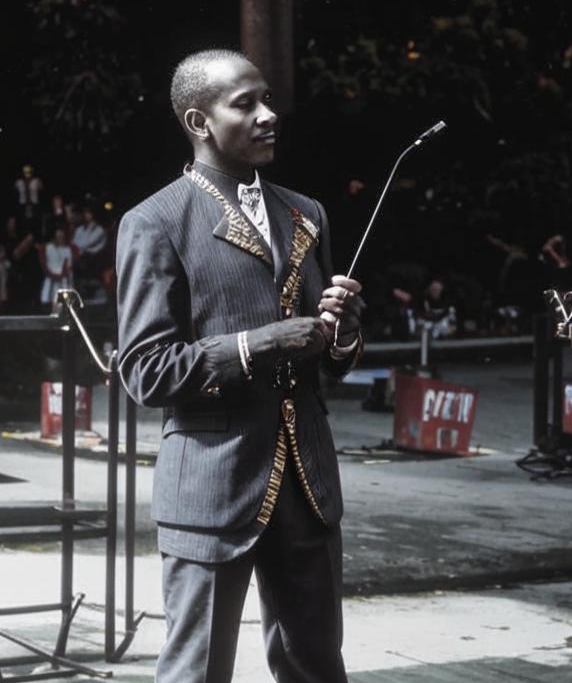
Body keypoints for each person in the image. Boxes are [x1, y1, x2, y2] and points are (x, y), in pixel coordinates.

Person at [115, 48, 365, 683]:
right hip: (211, 484)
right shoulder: (156, 222)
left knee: (316, 666)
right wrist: (262, 342)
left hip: (308, 485)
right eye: (245, 104)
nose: (267, 115)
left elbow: (329, 363)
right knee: (197, 672)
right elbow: (146, 370)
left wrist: (342, 335)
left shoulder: (307, 213)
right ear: (199, 122)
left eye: (268, 100)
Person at [39, 225, 74, 308]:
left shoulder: (67, 249)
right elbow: (43, 262)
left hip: (63, 278)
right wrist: (51, 274)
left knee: (62, 301)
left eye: (61, 236)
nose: (60, 238)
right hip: (50, 277)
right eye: (58, 236)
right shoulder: (48, 247)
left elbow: (68, 266)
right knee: (49, 300)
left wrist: (62, 274)